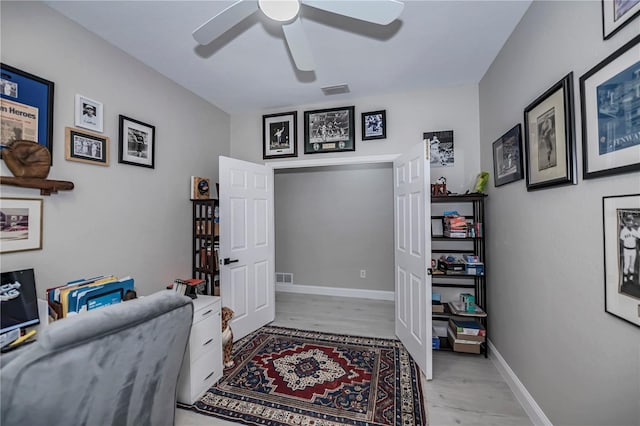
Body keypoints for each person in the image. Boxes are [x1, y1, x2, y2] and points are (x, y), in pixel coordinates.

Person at [620, 214, 640, 285]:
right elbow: (621, 241)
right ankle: (625, 277)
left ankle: (631, 278)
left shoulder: (635, 231)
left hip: (633, 250)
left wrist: (637, 246)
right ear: (626, 222)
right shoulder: (623, 231)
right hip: (626, 250)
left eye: (630, 221)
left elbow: (638, 239)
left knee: (632, 264)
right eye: (628, 221)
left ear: (632, 222)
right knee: (626, 264)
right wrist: (622, 251)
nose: (629, 223)